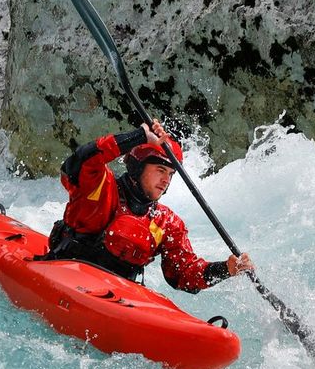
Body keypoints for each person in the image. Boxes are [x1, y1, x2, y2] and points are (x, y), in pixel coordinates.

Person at [45, 119, 254, 292]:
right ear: (137, 167)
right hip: (67, 272)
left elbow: (183, 274)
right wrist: (139, 137)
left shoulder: (166, 222)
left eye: (171, 174)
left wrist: (226, 269)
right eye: (160, 170)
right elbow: (78, 163)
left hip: (116, 293)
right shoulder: (101, 188)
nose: (166, 180)